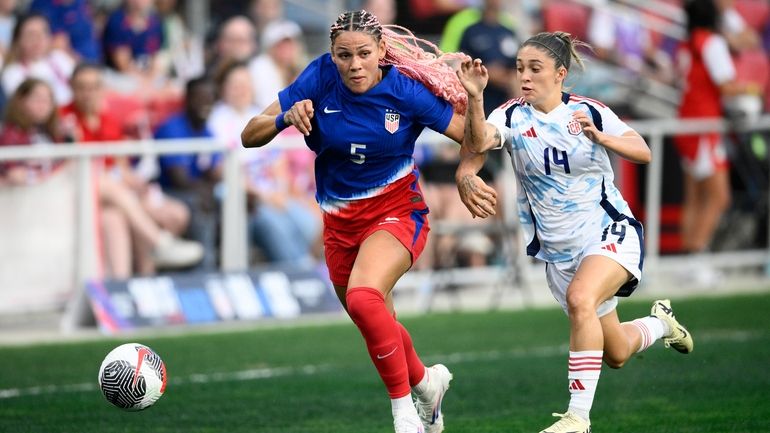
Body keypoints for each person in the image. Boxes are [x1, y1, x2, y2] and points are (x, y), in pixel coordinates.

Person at [455, 31, 695, 433]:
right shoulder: (511, 115)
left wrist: (601, 137)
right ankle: (662, 324)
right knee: (616, 352)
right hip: (560, 251)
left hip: (608, 231)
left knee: (581, 298)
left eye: (535, 69)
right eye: (519, 69)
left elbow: (642, 149)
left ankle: (576, 418)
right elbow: (478, 143)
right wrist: (476, 97)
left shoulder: (588, 111)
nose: (525, 78)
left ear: (560, 73)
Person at [241, 10, 468, 433]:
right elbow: (248, 133)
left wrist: (468, 171)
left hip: (397, 212)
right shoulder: (318, 76)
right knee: (376, 318)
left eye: (364, 53)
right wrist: (283, 119)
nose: (354, 64)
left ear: (382, 51)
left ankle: (404, 414)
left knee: (365, 299)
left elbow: (471, 135)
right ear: (332, 54)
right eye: (344, 55)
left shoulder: (405, 91)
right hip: (340, 223)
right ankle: (426, 384)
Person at [61, 62, 196, 277]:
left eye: (94, 87)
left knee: (173, 214)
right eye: (82, 87)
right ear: (72, 88)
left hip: (113, 195)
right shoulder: (62, 119)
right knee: (114, 210)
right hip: (78, 193)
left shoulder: (108, 120)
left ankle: (144, 276)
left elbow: (119, 165)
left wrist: (134, 182)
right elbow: (69, 167)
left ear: (102, 89)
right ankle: (158, 245)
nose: (88, 93)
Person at [675, 0, 759, 286]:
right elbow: (726, 85)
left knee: (695, 197)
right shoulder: (710, 42)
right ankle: (696, 258)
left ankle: (689, 261)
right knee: (718, 197)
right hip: (704, 126)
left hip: (687, 123)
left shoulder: (688, 43)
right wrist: (752, 88)